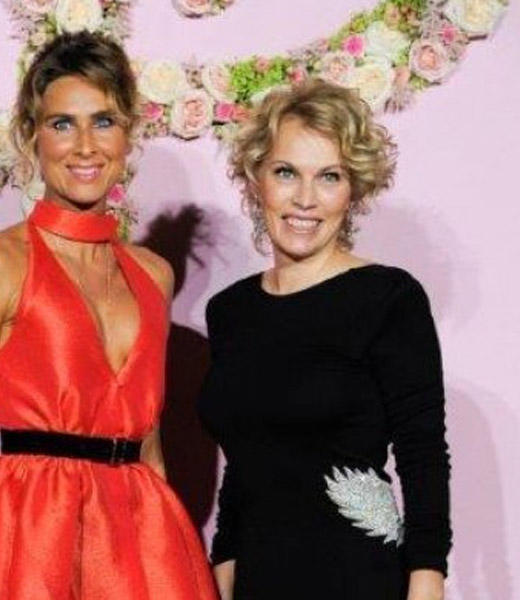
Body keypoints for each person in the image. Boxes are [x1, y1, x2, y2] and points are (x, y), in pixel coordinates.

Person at [0, 31, 217, 600]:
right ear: (32, 136)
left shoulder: (154, 276)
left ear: (127, 134)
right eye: (62, 124)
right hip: (29, 541)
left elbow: (149, 446)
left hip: (137, 544)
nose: (85, 146)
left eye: (103, 121)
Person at [198, 80, 451, 599]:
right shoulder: (230, 311)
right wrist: (224, 558)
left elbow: (422, 452)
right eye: (286, 172)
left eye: (329, 177)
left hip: (355, 577)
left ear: (354, 189)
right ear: (256, 179)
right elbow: (245, 459)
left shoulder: (388, 298)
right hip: (258, 578)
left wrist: (428, 580)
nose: (305, 199)